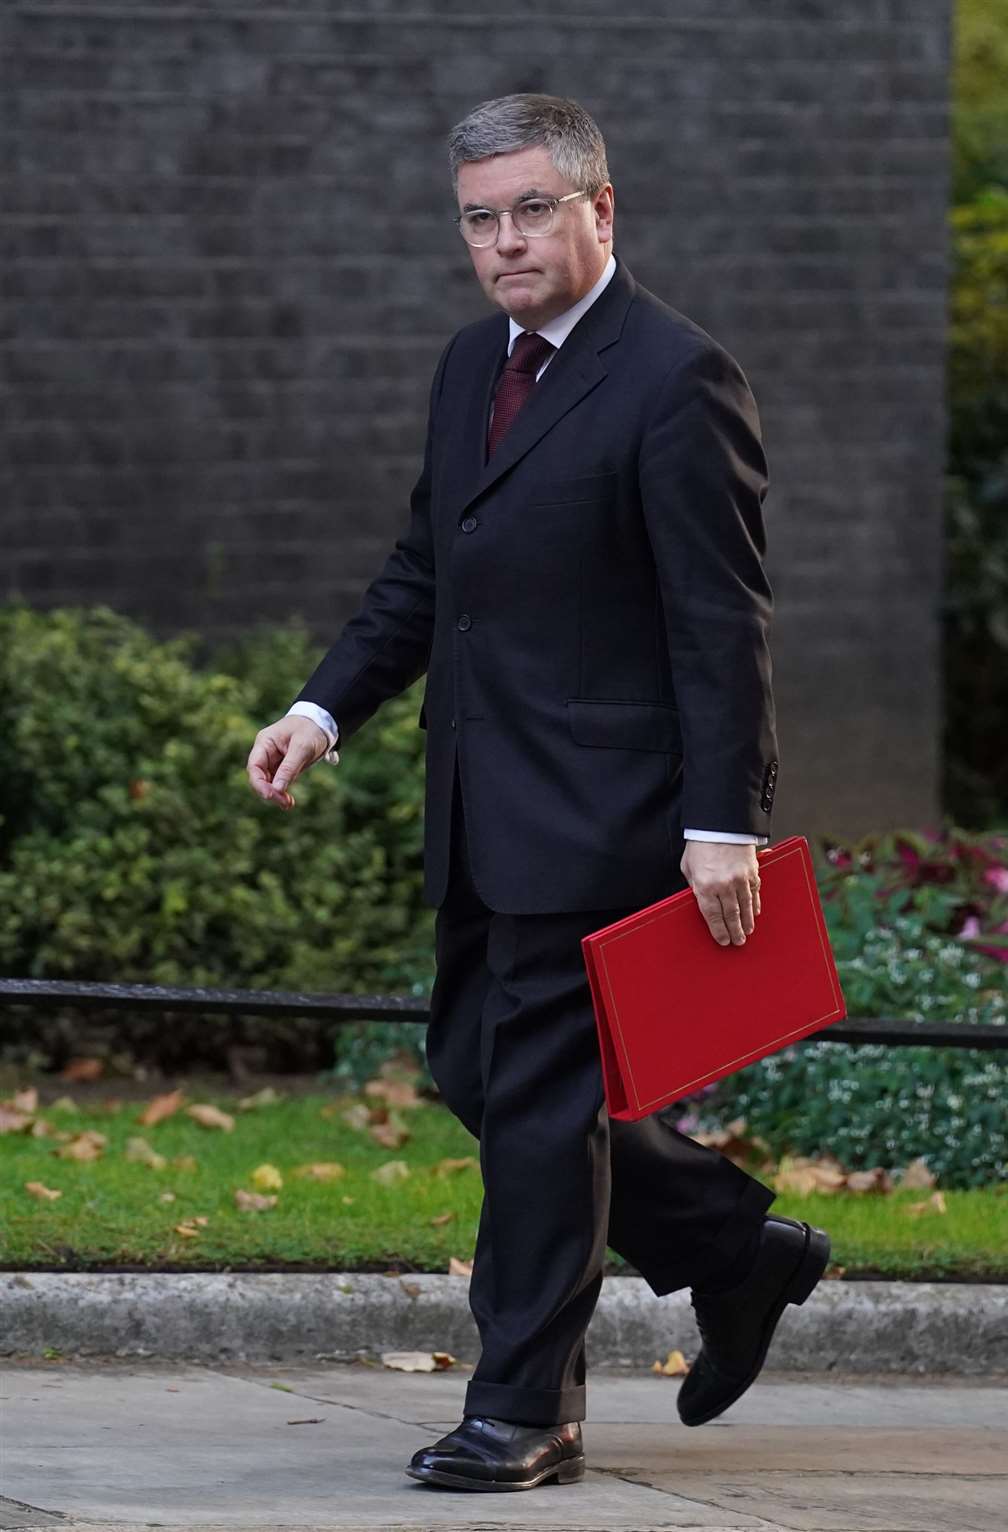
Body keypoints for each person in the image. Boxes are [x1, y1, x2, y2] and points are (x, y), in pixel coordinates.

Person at [246, 92, 830, 1493]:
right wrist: (324, 708)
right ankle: (737, 1250)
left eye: (530, 211)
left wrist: (722, 824)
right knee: (483, 1074)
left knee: (541, 1114)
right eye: (480, 217)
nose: (503, 241)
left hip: (611, 818)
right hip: (479, 807)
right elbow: (425, 578)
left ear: (599, 211)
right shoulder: (470, 368)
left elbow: (721, 620)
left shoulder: (679, 378)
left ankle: (524, 1407)